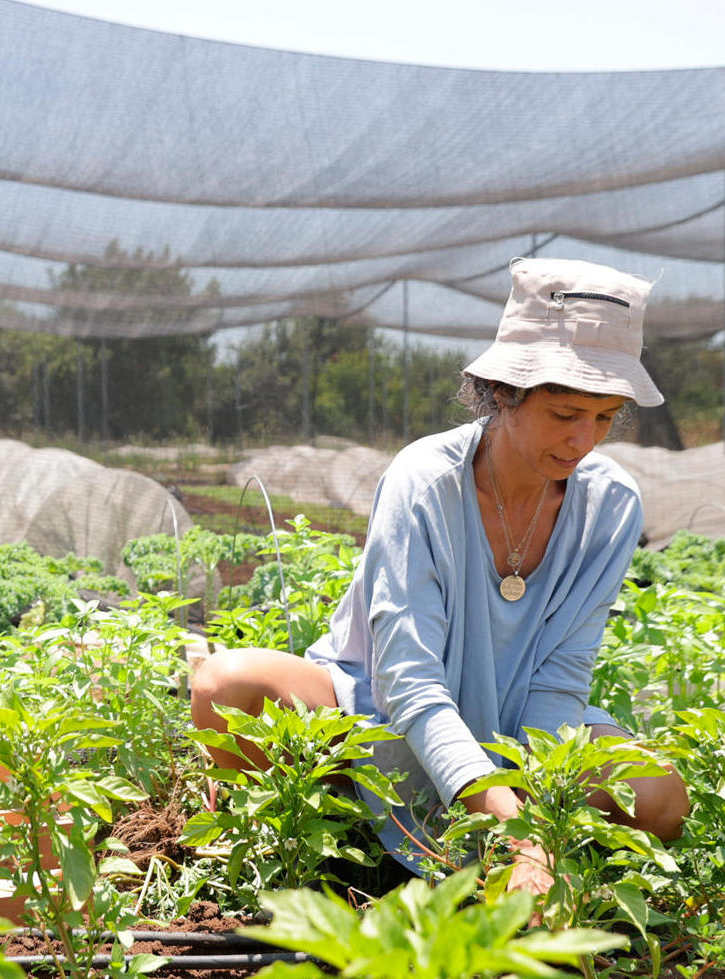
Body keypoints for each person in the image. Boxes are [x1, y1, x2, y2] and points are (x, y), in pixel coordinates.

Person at [190, 257, 689, 894]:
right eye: (565, 415)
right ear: (505, 391)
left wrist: (531, 813)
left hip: (517, 733)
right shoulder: (424, 480)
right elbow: (408, 680)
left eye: (603, 416)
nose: (583, 440)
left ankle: (514, 862)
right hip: (374, 720)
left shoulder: (610, 505)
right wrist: (507, 823)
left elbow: (561, 677)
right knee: (228, 686)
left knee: (661, 798)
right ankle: (302, 849)